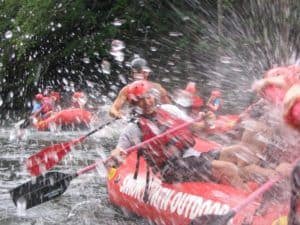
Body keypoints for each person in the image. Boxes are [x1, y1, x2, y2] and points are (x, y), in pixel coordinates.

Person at [108, 80, 248, 190]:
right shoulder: (133, 128)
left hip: (191, 156)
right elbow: (118, 150)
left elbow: (196, 128)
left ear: (153, 96)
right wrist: (116, 155)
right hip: (170, 169)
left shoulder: (169, 109)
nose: (147, 102)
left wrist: (206, 123)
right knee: (228, 168)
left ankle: (248, 183)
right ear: (135, 104)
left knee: (238, 151)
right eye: (141, 100)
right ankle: (248, 203)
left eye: (148, 97)